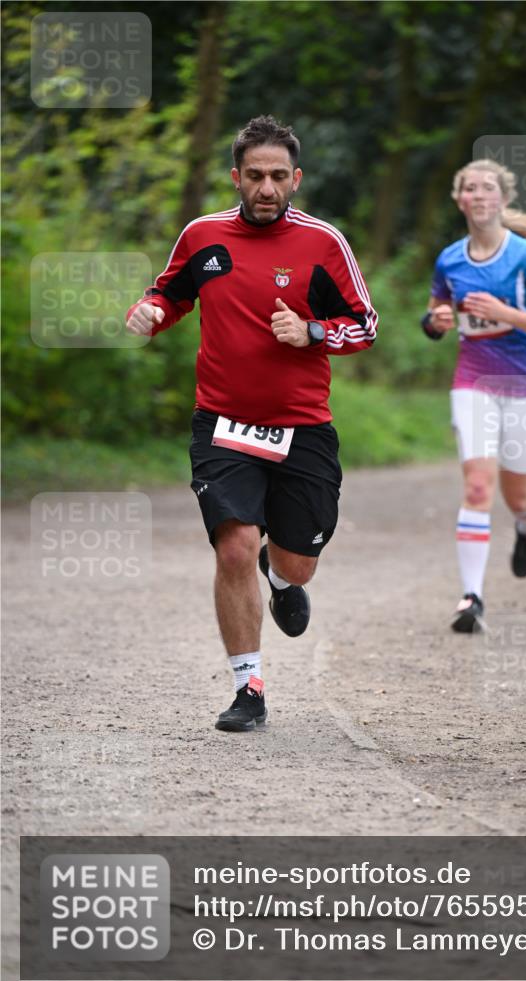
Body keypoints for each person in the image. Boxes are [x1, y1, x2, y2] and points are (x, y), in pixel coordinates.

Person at [126, 115, 377, 729]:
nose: (267, 188)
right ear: (236, 177)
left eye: (279, 176)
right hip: (223, 423)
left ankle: (283, 579)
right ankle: (249, 689)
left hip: (303, 426)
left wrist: (311, 331)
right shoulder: (203, 236)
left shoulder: (324, 243)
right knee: (234, 545)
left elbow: (364, 326)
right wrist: (151, 311)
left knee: (297, 563)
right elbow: (171, 294)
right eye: (256, 175)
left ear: (297, 179)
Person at [421, 158, 526, 632]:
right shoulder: (450, 259)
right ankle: (472, 599)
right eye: (470, 187)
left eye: (488, 187)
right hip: (473, 380)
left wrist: (506, 312)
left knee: (516, 492)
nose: (479, 194)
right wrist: (436, 322)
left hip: (525, 382)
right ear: (460, 200)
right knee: (477, 487)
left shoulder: (525, 256)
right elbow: (435, 317)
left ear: (503, 199)